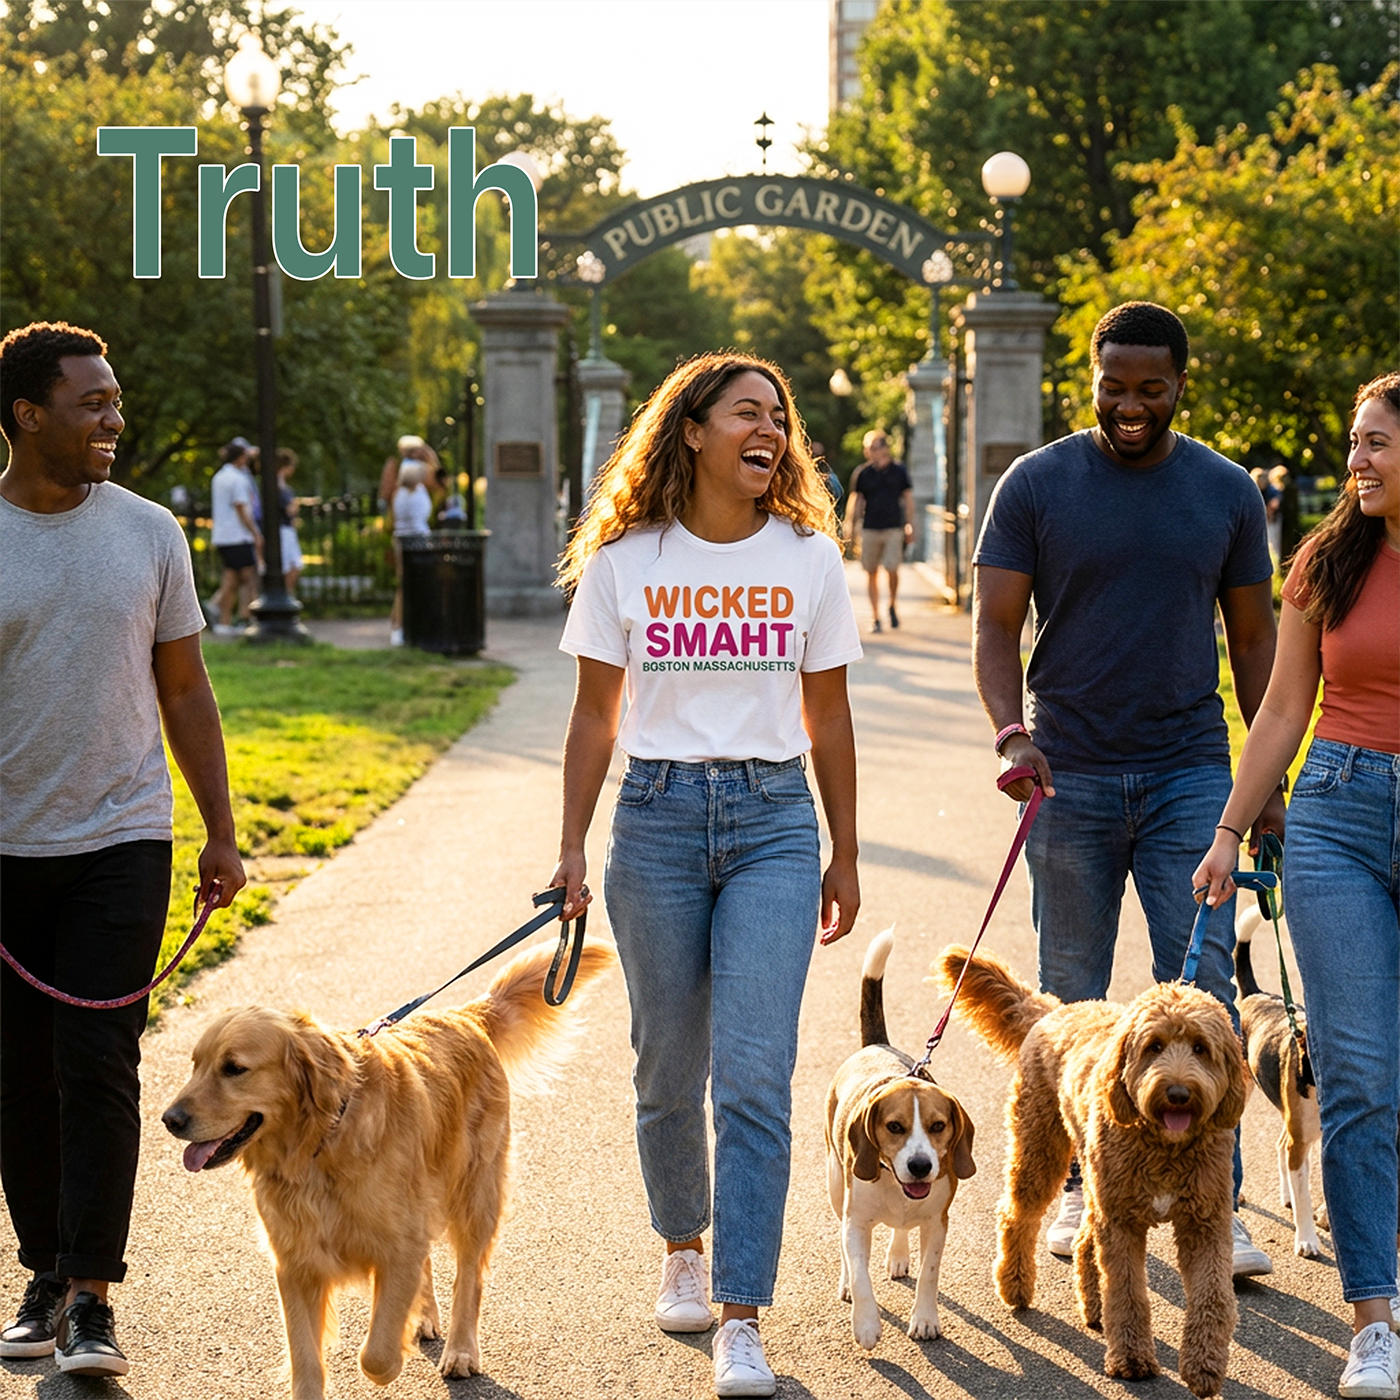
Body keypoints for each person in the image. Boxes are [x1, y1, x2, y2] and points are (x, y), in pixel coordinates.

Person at [551, 351, 861, 1397]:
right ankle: (679, 1240)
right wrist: (566, 845)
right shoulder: (623, 560)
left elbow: (827, 713)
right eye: (745, 411)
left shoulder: (807, 558)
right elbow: (594, 715)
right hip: (655, 820)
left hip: (775, 817)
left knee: (755, 1074)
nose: (767, 427)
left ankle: (741, 1310)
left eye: (777, 412)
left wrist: (844, 847)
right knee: (664, 1065)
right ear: (691, 430)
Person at [971, 300, 1284, 1277]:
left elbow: (1252, 641)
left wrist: (1260, 781)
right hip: (1065, 775)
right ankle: (1078, 1190)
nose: (1129, 406)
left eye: (1149, 389)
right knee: (1071, 1003)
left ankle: (1213, 1208)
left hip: (1191, 770)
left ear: (1178, 385)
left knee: (1202, 1002)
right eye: (1113, 387)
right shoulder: (1035, 483)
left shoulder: (1224, 492)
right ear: (1091, 377)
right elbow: (992, 629)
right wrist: (1010, 729)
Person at [0, 321, 246, 1377]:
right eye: (91, 402)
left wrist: (221, 830)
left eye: (114, 399)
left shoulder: (150, 532)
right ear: (25, 414)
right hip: (8, 845)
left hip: (123, 835)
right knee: (19, 1071)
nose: (114, 417)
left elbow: (184, 688)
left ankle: (94, 1294)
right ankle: (45, 1268)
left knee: (96, 1058)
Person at [1194, 373, 1400, 1400]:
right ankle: (1372, 1316)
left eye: (1376, 445)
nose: (1356, 461)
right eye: (1354, 441)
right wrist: (1231, 827)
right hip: (1338, 813)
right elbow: (1277, 708)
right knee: (1355, 1072)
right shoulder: (1322, 564)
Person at [846, 430, 912, 632]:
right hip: (870, 528)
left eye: (874, 447)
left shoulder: (899, 471)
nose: (870, 452)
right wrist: (851, 526)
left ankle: (891, 603)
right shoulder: (863, 474)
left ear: (884, 448)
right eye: (868, 448)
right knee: (871, 571)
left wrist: (910, 525)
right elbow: (856, 500)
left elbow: (908, 499)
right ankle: (875, 616)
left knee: (892, 568)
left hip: (893, 527)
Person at [209, 437, 261, 635]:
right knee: (245, 577)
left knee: (233, 577)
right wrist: (255, 532)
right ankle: (240, 617)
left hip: (223, 535)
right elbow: (241, 508)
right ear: (240, 458)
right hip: (237, 535)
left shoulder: (220, 477)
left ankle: (226, 617)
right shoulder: (238, 479)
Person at [389, 458, 432, 646]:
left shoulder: (399, 494)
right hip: (417, 541)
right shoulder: (417, 495)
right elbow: (422, 518)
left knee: (403, 582)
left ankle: (398, 621)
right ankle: (400, 625)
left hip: (401, 541)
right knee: (411, 584)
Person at [273, 447, 302, 596]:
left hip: (287, 529)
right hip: (283, 530)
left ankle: (288, 594)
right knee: (289, 566)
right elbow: (290, 508)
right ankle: (285, 594)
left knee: (294, 564)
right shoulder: (277, 485)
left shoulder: (281, 484)